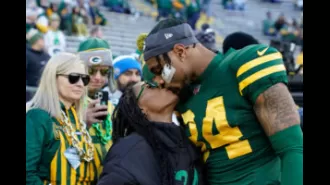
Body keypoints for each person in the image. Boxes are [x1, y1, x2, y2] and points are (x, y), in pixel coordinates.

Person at [142, 19, 303, 185]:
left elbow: (293, 147)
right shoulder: (182, 93)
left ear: (181, 51)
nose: (160, 79)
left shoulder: (242, 64)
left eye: (159, 70)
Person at [97, 82, 204, 185]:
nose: (161, 83)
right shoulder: (130, 149)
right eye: (150, 86)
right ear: (141, 108)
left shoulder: (190, 140)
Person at [26, 52, 98, 185]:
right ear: (53, 78)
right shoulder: (38, 117)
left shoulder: (75, 117)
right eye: (73, 77)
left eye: (85, 79)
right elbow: (27, 174)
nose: (80, 84)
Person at [77, 37, 116, 177]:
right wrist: (81, 123)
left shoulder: (111, 105)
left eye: (104, 72)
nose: (98, 78)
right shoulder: (65, 103)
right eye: (92, 71)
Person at [26, 28, 50, 101]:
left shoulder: (46, 55)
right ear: (35, 41)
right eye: (41, 39)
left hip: (43, 91)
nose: (44, 41)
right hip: (30, 91)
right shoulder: (27, 54)